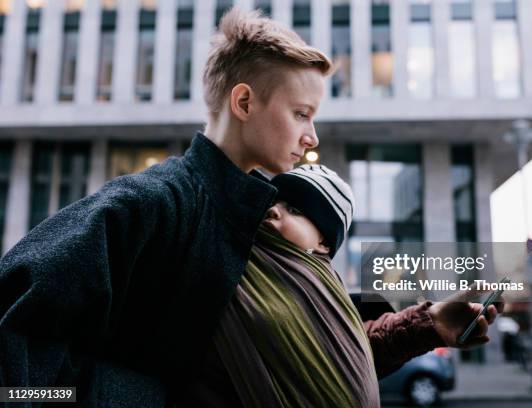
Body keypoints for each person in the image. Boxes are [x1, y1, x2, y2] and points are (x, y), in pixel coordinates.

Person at [0, 7, 500, 407]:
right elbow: (15, 363)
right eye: (301, 113)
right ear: (244, 103)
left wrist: (426, 326)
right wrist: (137, 396)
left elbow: (304, 353)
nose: (312, 136)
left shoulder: (254, 221)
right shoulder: (155, 205)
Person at [181, 164, 500, 407]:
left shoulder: (323, 292)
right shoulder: (228, 264)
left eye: (294, 210)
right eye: (273, 203)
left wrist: (429, 325)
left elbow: (342, 353)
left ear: (322, 242)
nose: (273, 210)